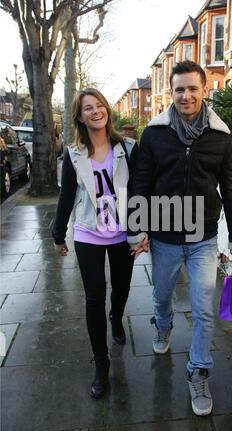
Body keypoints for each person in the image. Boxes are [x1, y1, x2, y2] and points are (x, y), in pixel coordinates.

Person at [128, 61, 232, 416]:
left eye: (193, 88)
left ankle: (198, 370)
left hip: (203, 238)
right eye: (179, 89)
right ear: (171, 92)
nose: (186, 95)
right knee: (162, 295)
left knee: (203, 308)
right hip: (163, 237)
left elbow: (231, 188)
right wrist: (138, 229)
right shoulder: (154, 134)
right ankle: (162, 324)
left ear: (204, 89)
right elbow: (141, 183)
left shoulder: (221, 137)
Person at [52, 88, 138, 399]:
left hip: (122, 233)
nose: (95, 111)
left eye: (99, 105)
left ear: (107, 110)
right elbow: (66, 196)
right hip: (88, 232)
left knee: (123, 287)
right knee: (93, 298)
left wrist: (144, 232)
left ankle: (117, 316)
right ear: (80, 116)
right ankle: (101, 365)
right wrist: (57, 233)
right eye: (88, 108)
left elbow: (142, 189)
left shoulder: (127, 147)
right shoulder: (74, 154)